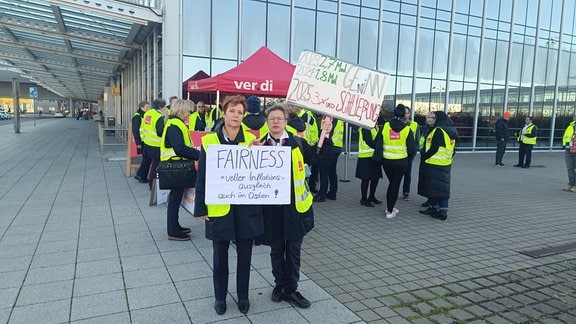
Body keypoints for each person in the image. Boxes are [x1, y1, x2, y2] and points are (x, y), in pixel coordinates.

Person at [194, 95, 263, 316]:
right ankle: (220, 298)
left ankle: (243, 296)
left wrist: (257, 152)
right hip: (219, 208)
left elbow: (259, 174)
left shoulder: (252, 140)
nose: (236, 116)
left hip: (245, 209)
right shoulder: (209, 141)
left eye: (240, 112)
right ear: (224, 113)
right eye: (232, 111)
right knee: (219, 257)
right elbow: (202, 176)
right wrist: (201, 208)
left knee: (245, 257)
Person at [259, 104, 332, 309]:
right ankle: (279, 285)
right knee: (276, 250)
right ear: (267, 122)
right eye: (272, 118)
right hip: (271, 209)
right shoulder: (257, 145)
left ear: (285, 122)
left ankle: (291, 289)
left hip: (294, 209)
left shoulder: (298, 142)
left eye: (279, 119)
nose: (275, 121)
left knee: (293, 251)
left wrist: (326, 133)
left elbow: (318, 157)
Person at [160, 99, 200, 241]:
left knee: (176, 199)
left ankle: (175, 226)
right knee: (175, 199)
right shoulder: (175, 125)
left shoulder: (175, 124)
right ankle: (173, 230)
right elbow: (180, 149)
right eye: (188, 111)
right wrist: (199, 155)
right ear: (182, 110)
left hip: (176, 168)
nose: (190, 113)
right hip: (175, 168)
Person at [419, 111, 458, 221]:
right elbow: (454, 149)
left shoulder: (438, 130)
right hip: (445, 163)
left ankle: (440, 211)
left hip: (434, 162)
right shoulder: (451, 130)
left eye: (434, 118)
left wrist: (425, 157)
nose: (432, 120)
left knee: (436, 187)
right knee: (442, 187)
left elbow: (434, 148)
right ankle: (439, 209)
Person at [380, 105, 417, 218]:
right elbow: (412, 149)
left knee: (392, 184)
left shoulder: (385, 126)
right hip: (400, 162)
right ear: (403, 115)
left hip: (386, 161)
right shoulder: (407, 129)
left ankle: (390, 208)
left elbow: (377, 142)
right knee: (394, 185)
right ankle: (390, 210)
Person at [313, 116, 344, 202]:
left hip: (329, 147)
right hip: (337, 146)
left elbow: (326, 132)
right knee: (332, 171)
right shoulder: (339, 117)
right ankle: (332, 193)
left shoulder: (329, 117)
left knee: (323, 171)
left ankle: (322, 194)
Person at [140, 98, 166, 189]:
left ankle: (151, 183)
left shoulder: (148, 113)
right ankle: (152, 185)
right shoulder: (159, 116)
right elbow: (160, 132)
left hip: (147, 143)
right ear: (160, 107)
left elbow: (143, 127)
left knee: (151, 165)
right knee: (155, 166)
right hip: (156, 145)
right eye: (164, 107)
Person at [355, 123, 382, 207]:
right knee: (365, 179)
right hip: (365, 157)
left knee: (375, 178)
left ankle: (371, 196)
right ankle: (363, 199)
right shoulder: (365, 127)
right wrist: (378, 146)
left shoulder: (374, 127)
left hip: (374, 156)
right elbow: (369, 141)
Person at [401, 105, 420, 201]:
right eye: (404, 112)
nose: (406, 114)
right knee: (398, 173)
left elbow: (417, 140)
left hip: (409, 153)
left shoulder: (414, 125)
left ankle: (406, 192)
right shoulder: (398, 124)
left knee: (407, 173)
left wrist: (414, 151)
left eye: (407, 112)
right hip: (399, 153)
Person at [418, 111, 436, 208]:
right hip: (424, 156)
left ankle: (432, 200)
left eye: (432, 117)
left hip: (432, 158)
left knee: (431, 179)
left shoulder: (436, 129)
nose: (429, 119)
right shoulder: (424, 128)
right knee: (425, 178)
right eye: (428, 117)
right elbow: (421, 141)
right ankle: (429, 199)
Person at [132, 100, 151, 183]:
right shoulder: (137, 117)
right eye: (147, 107)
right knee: (146, 159)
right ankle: (141, 175)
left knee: (146, 159)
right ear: (141, 107)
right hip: (142, 142)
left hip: (146, 141)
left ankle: (141, 175)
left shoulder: (145, 116)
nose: (148, 108)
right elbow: (135, 131)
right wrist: (138, 143)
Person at [562, 117, 576, 192]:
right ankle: (571, 184)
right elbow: (565, 136)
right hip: (569, 150)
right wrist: (564, 145)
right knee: (570, 168)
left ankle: (575, 186)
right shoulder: (570, 126)